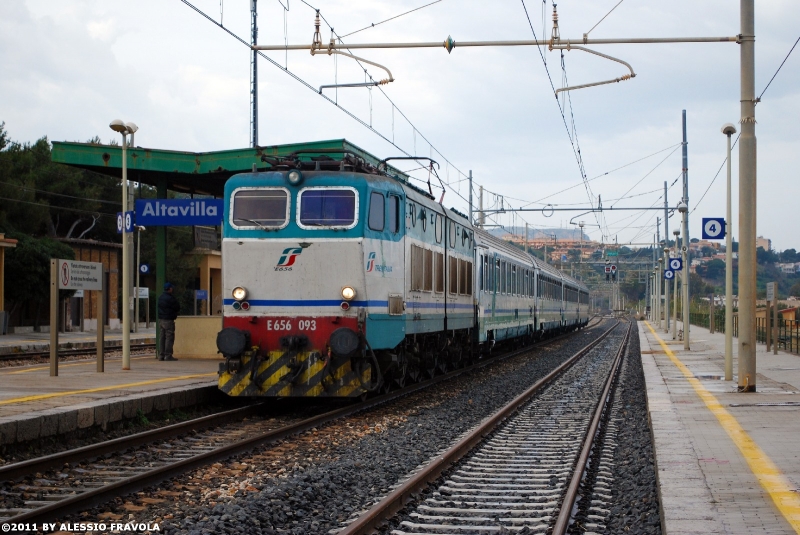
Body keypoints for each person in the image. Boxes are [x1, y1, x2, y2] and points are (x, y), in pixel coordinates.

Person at [157, 282, 180, 361]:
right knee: (169, 337)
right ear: (170, 289)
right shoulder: (170, 298)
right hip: (168, 320)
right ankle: (168, 355)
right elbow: (177, 307)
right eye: (171, 288)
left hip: (161, 320)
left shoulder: (160, 297)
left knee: (162, 337)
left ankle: (161, 355)